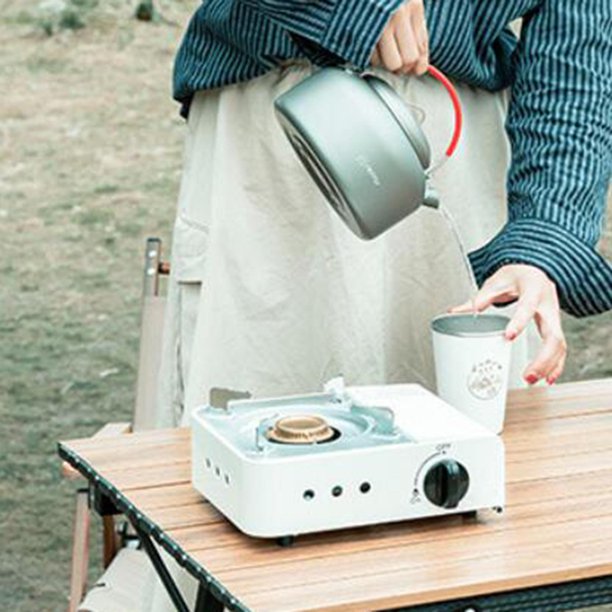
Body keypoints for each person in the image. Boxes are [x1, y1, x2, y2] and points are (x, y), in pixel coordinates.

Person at [144, 0, 612, 608]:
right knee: (254, 495)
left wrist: (544, 236)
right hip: (276, 145)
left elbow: (575, 54)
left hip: (458, 157)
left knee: (471, 502)